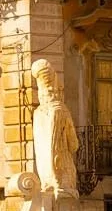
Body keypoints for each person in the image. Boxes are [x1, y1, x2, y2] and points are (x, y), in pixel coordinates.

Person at [32, 59, 79, 196]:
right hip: (63, 174)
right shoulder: (62, 110)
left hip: (46, 178)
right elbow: (74, 144)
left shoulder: (38, 113)